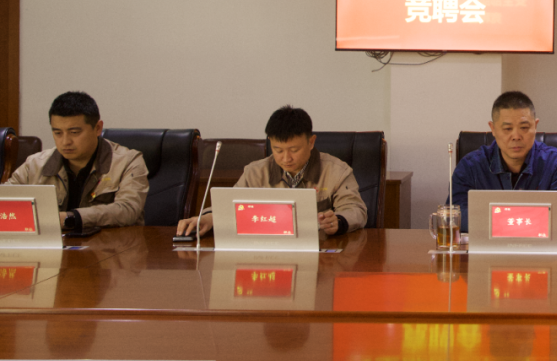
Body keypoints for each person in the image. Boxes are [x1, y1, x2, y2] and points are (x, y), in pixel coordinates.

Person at [176, 106, 367, 237]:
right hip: (267, 251)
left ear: (311, 142)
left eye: (294, 150)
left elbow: (356, 210)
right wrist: (208, 218)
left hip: (320, 253)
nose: (286, 158)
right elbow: (231, 205)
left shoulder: (336, 171)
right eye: (278, 150)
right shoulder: (255, 172)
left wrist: (339, 221)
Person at [5, 91, 148, 229]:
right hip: (53, 243)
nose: (65, 141)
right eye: (58, 133)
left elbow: (128, 210)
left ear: (97, 128)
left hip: (112, 244)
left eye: (74, 132)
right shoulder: (35, 165)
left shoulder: (128, 161)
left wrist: (71, 218)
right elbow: (4, 202)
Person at [451, 91, 557, 232]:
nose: (516, 136)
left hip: (538, 244)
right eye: (507, 129)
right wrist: (525, 218)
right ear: (493, 129)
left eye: (524, 128)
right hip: (488, 245)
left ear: (535, 126)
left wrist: (496, 218)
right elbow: (455, 217)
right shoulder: (470, 166)